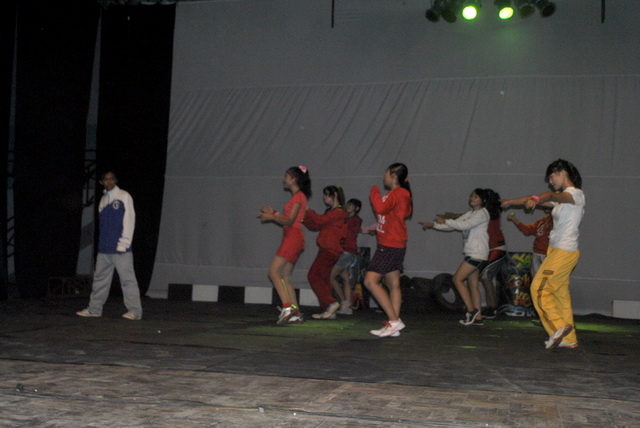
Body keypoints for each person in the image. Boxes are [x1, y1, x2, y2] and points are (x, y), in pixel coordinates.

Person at [501, 159, 584, 350]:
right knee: (560, 295)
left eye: (552, 177)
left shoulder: (575, 194)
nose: (550, 181)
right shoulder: (562, 199)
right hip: (559, 251)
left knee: (539, 289)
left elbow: (550, 195)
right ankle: (569, 339)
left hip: (563, 251)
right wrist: (510, 202)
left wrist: (537, 199)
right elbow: (535, 198)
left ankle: (559, 327)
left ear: (562, 173)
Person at [76, 171, 143, 320]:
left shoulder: (124, 196)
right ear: (101, 182)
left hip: (121, 249)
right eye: (106, 179)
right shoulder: (103, 199)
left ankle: (135, 312)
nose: (109, 181)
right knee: (100, 280)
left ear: (116, 180)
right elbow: (104, 226)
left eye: (112, 179)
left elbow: (129, 220)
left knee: (127, 280)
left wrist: (124, 243)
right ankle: (94, 309)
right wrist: (101, 246)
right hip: (104, 249)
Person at [420, 189, 490, 326]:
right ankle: (478, 318)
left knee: (457, 279)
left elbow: (463, 225)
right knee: (473, 284)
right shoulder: (470, 213)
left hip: (477, 253)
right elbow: (452, 225)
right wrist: (433, 225)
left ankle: (471, 311)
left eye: (476, 197)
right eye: (471, 196)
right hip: (474, 253)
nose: (472, 198)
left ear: (483, 200)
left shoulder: (482, 213)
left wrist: (446, 220)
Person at [258, 166, 311, 325]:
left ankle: (287, 308)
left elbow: (289, 221)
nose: (284, 179)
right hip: (293, 237)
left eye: (286, 176)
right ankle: (295, 313)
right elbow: (289, 219)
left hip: (292, 238)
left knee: (273, 272)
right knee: (285, 277)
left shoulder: (298, 197)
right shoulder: (298, 197)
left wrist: (271, 217)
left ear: (293, 179)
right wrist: (274, 213)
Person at [365, 163, 412, 338]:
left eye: (386, 173)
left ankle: (393, 320)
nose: (383, 177)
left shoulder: (399, 193)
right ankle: (394, 325)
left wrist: (374, 192)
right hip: (393, 243)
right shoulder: (399, 194)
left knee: (370, 281)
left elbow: (380, 208)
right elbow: (390, 215)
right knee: (393, 284)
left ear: (393, 176)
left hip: (390, 245)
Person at [304, 186, 348, 320]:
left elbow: (319, 221)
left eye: (327, 195)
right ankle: (328, 310)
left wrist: (308, 211)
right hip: (328, 250)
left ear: (335, 195)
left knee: (313, 275)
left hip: (329, 250)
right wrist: (305, 217)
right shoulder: (332, 212)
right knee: (323, 279)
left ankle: (330, 303)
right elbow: (316, 225)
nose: (325, 198)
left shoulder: (339, 212)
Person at [330, 198, 363, 315]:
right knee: (345, 279)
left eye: (351, 205)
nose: (348, 206)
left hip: (348, 252)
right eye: (348, 204)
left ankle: (344, 302)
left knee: (331, 276)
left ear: (356, 208)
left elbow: (349, 230)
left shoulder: (356, 220)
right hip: (342, 252)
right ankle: (347, 306)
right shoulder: (344, 218)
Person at [479, 189, 507, 320]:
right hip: (492, 248)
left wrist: (454, 217)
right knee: (485, 278)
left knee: (485, 277)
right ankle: (491, 306)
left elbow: (470, 218)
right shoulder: (490, 212)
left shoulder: (489, 212)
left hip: (496, 248)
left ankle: (492, 307)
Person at [507, 207, 552, 282]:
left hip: (549, 255)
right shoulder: (542, 221)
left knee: (548, 280)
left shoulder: (558, 222)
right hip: (537, 254)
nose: (544, 207)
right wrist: (514, 219)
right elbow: (527, 230)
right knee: (536, 280)